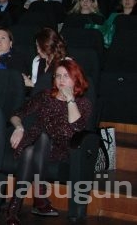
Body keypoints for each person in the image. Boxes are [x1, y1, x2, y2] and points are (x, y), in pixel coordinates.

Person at [6, 58, 92, 225]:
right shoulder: (45, 96)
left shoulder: (83, 103)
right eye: (57, 76)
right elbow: (17, 114)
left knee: (35, 148)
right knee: (34, 146)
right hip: (33, 141)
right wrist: (19, 128)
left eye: (66, 76)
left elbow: (75, 129)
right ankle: (36, 199)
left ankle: (16, 205)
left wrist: (70, 100)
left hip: (61, 148)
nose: (60, 80)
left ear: (76, 78)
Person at [26, 27, 66, 95]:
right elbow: (35, 90)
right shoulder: (37, 61)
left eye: (40, 47)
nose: (38, 50)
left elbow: (62, 90)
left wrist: (32, 85)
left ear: (50, 46)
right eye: (37, 46)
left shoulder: (64, 63)